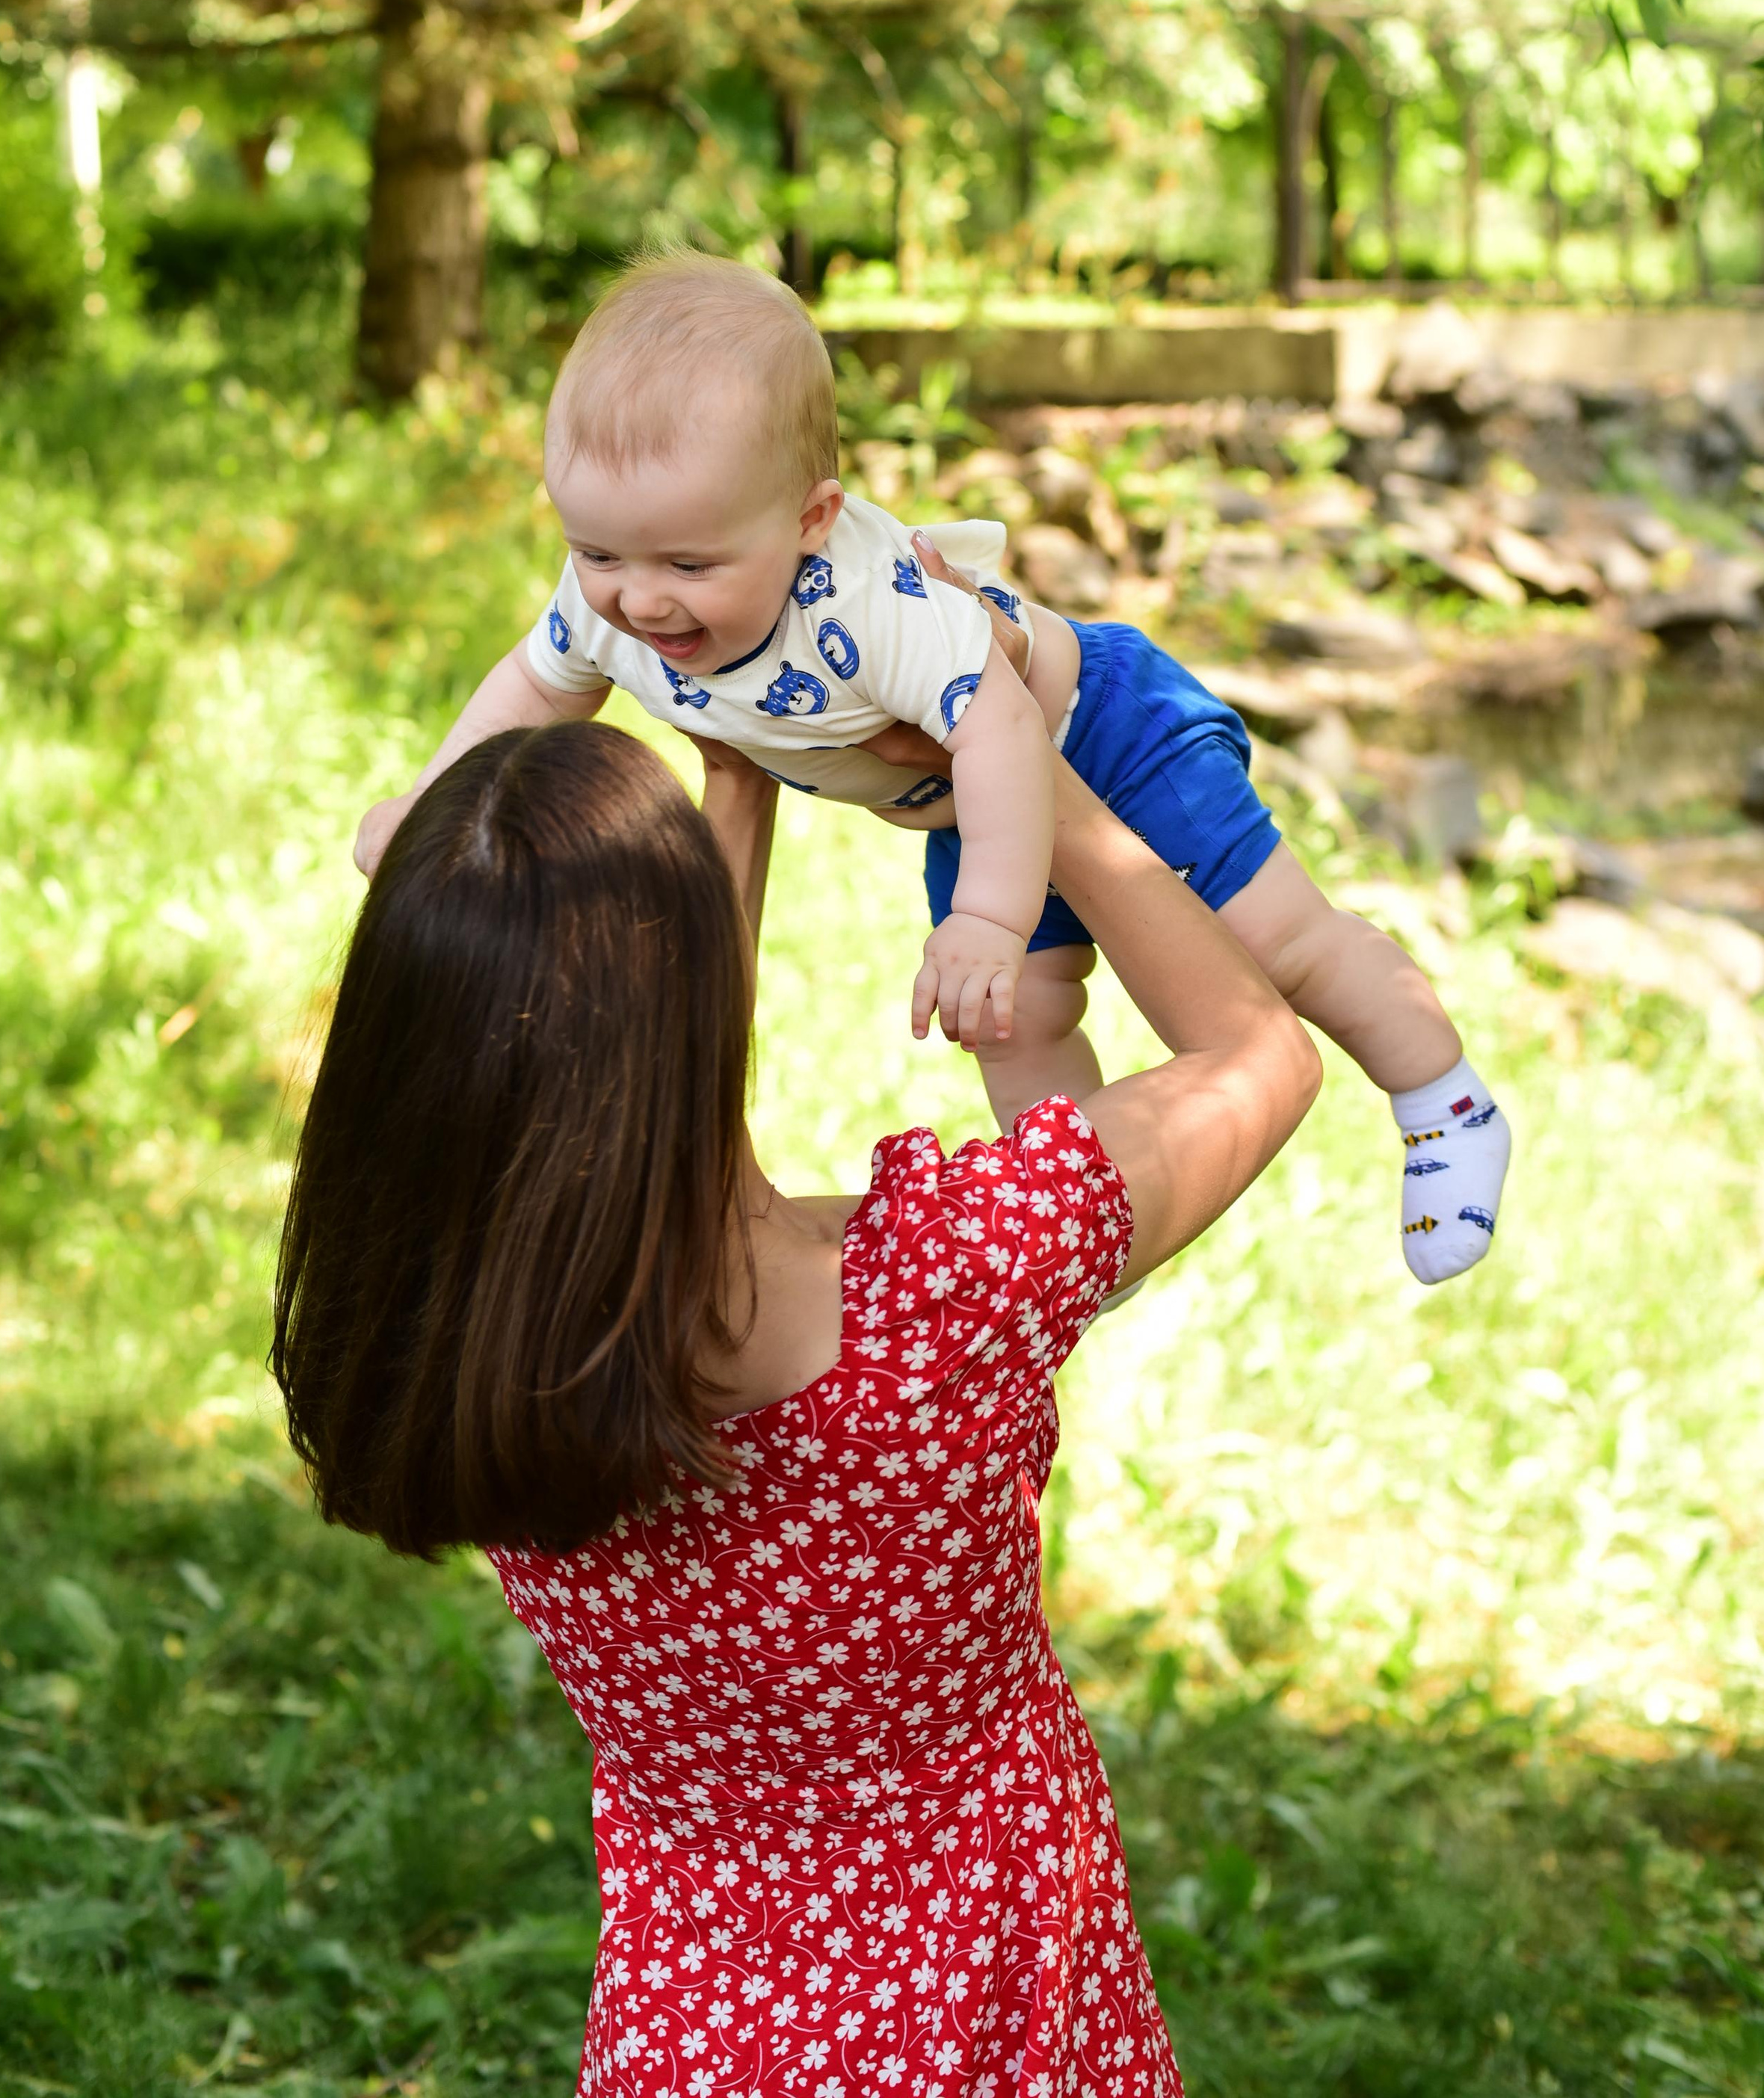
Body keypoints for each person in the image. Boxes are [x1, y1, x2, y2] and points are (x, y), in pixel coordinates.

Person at [276, 706, 1320, 2095]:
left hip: (694, 2030)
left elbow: (628, 1089)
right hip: (991, 2016)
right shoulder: (951, 1283)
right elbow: (1259, 1060)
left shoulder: (453, 1349)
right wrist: (1035, 770)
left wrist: (736, 777)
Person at [354, 250, 1511, 1286]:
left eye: (689, 562)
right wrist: (430, 807)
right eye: (595, 549)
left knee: (1273, 943)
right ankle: (1087, 1236)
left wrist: (990, 918)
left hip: (1092, 727)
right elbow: (535, 684)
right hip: (966, 800)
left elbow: (1004, 728)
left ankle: (1443, 1095)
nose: (637, 597)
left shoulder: (871, 604)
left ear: (813, 518)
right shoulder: (615, 596)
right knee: (1008, 1023)